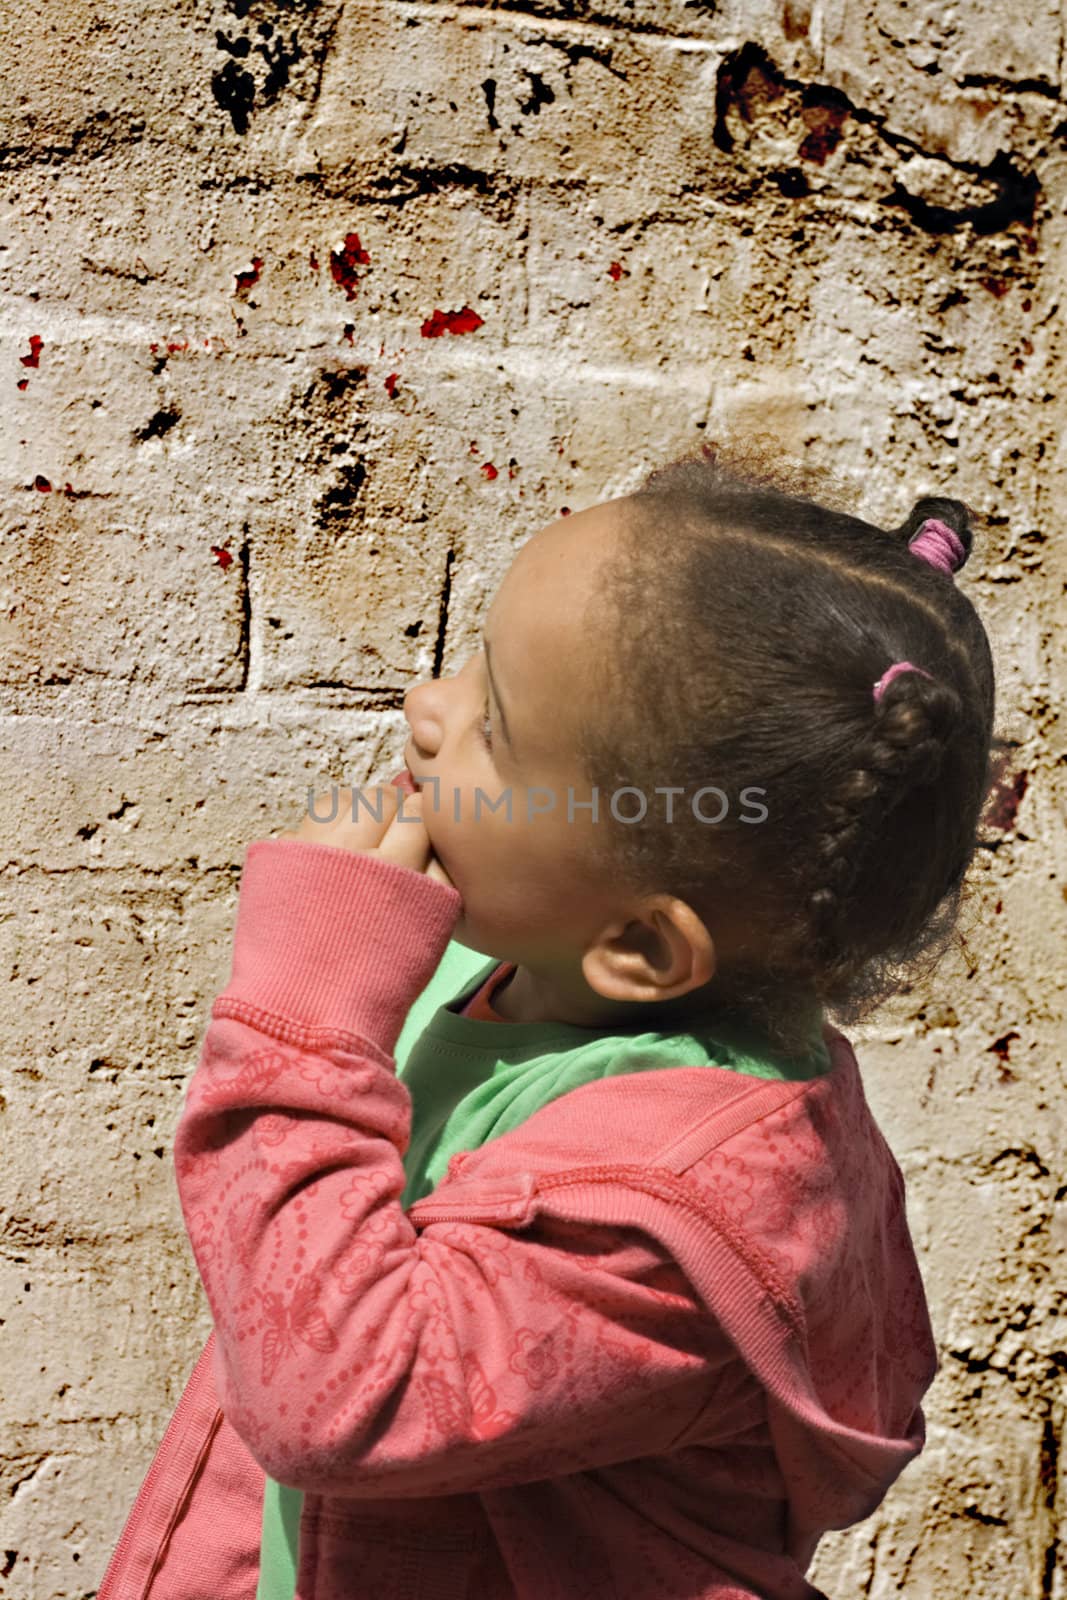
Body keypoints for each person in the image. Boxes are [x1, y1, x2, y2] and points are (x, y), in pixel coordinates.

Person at [96, 442, 1001, 1599]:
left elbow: (338, 1396)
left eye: (498, 727)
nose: (427, 709)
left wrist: (303, 1018)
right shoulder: (501, 980)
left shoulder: (677, 1217)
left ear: (637, 947)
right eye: (471, 663)